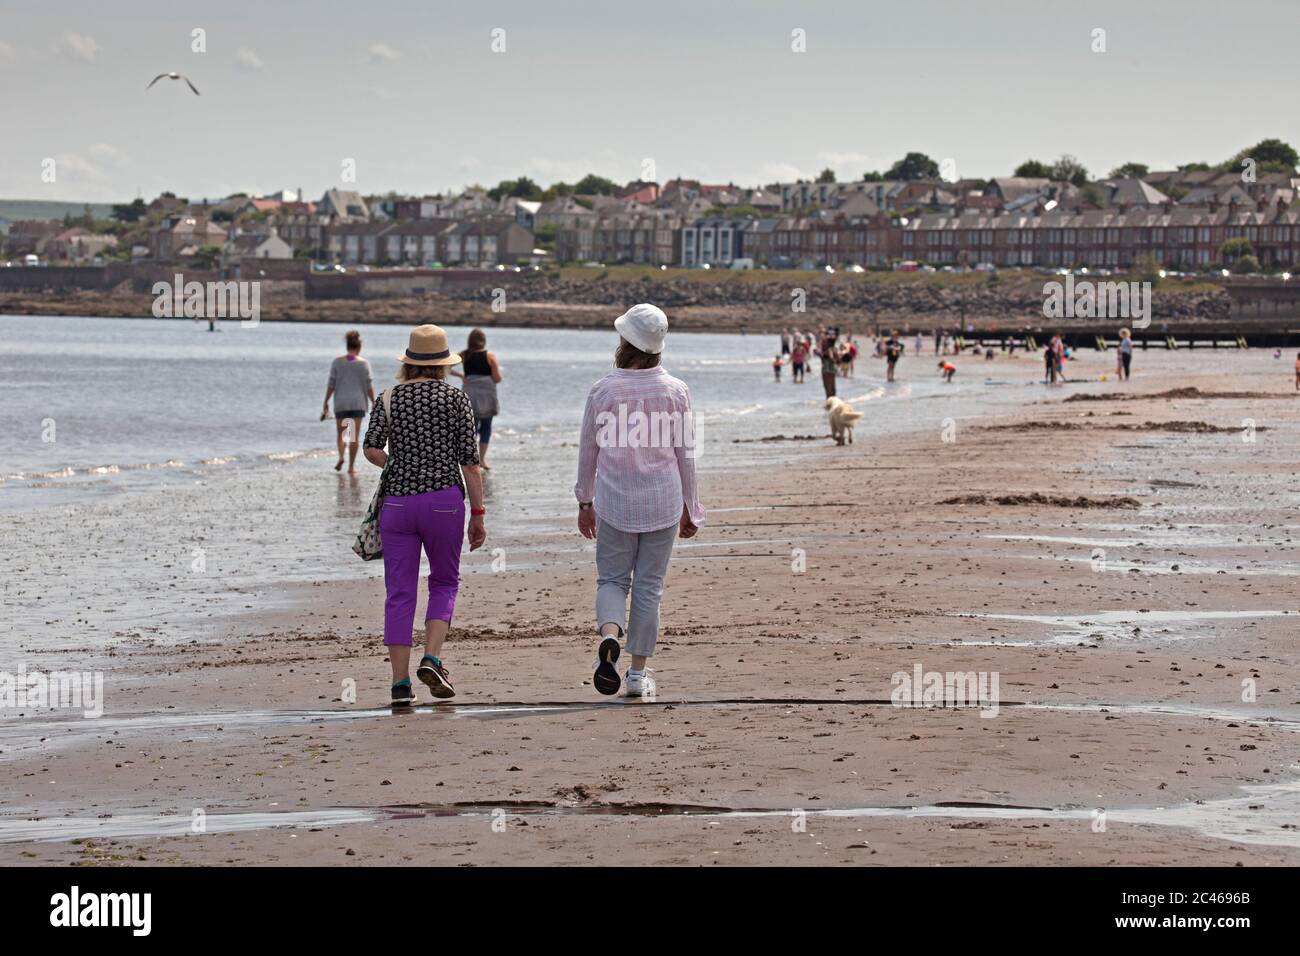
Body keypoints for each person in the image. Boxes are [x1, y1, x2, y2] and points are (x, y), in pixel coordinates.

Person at [575, 304, 704, 698]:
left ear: (624, 341)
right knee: (649, 587)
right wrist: (691, 506)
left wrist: (585, 500)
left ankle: (610, 637)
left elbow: (587, 450)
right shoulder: (676, 390)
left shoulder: (604, 390)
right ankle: (635, 674)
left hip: (614, 500)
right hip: (663, 501)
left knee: (612, 580)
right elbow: (686, 452)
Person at [362, 325, 486, 706]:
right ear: (443, 364)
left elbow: (370, 449)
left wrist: (396, 465)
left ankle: (400, 684)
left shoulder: (387, 398)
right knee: (444, 582)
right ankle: (432, 658)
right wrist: (478, 513)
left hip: (398, 504)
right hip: (444, 502)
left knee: (399, 593)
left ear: (409, 362)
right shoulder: (456, 399)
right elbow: (471, 463)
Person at [321, 330, 375, 473]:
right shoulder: (364, 364)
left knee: (342, 434)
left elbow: (331, 384)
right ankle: (351, 467)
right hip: (358, 403)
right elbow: (368, 385)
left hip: (341, 403)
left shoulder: (337, 362)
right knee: (353, 436)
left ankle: (340, 457)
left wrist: (325, 402)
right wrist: (374, 402)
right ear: (359, 348)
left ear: (347, 347)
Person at [449, 328, 502, 470]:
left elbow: (445, 366)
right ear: (484, 341)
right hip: (487, 395)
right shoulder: (490, 356)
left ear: (469, 341)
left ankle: (470, 459)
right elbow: (497, 379)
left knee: (470, 428)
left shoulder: (464, 355)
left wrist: (461, 375)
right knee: (486, 427)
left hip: (470, 394)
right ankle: (482, 460)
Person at [818, 334, 838, 398]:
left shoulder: (830, 350)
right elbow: (837, 360)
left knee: (828, 388)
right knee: (831, 387)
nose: (823, 343)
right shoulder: (832, 350)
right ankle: (832, 401)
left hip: (827, 370)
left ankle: (830, 401)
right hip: (830, 370)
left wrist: (831, 357)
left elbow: (835, 360)